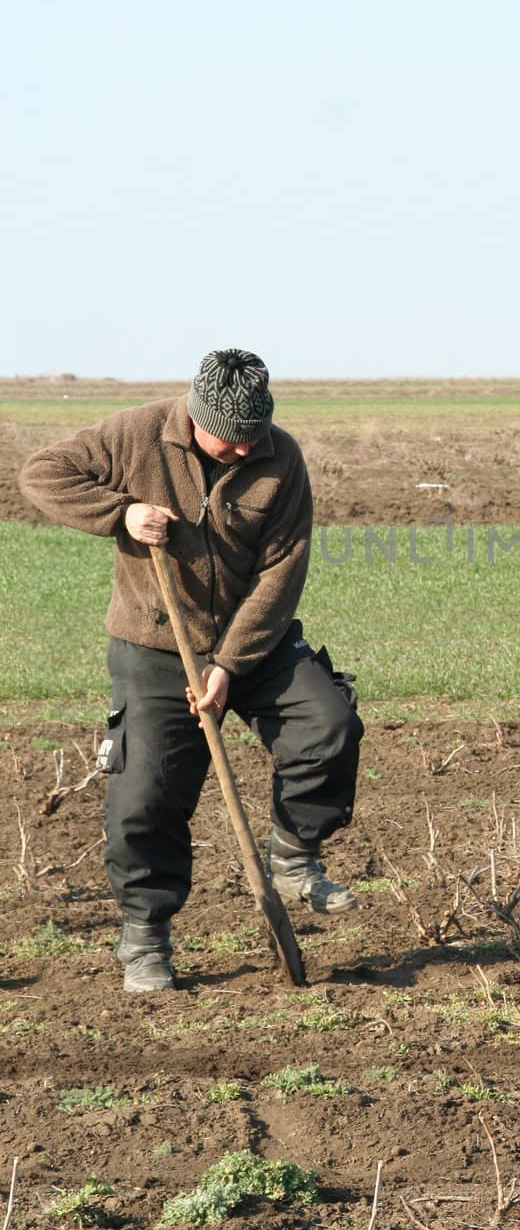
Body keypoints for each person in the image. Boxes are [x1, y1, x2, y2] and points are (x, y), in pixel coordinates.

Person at [20, 349, 364, 993]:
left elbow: (282, 569)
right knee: (144, 793)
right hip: (155, 644)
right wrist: (121, 512)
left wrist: (230, 663)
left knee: (328, 722)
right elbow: (42, 474)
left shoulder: (280, 458)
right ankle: (145, 939)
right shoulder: (134, 434)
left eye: (254, 437)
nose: (243, 450)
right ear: (195, 417)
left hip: (252, 643)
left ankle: (294, 857)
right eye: (230, 440)